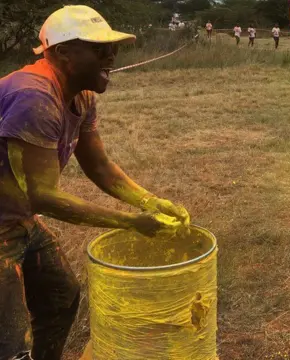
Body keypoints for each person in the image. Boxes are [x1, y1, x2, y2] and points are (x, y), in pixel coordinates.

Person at [0, 5, 190, 360]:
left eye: (112, 46)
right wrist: (132, 223)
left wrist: (149, 201)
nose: (111, 54)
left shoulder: (81, 95)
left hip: (16, 216)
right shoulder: (34, 96)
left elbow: (99, 166)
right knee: (10, 344)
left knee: (60, 296)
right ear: (63, 53)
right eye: (98, 47)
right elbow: (43, 197)